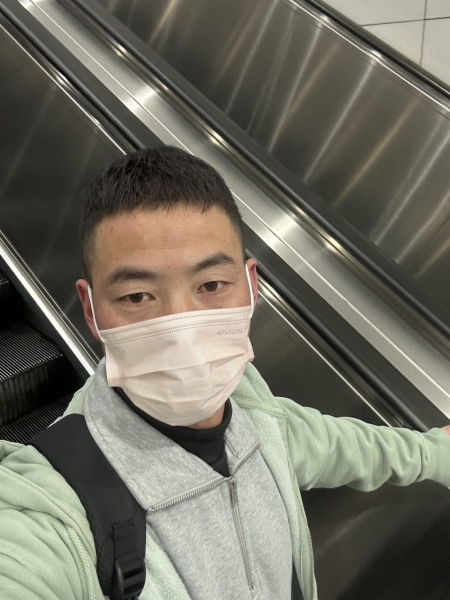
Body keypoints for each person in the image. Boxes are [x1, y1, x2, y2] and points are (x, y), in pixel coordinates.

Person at [1, 145, 450, 600]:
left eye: (212, 285)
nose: (182, 331)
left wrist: (437, 451)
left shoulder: (256, 413)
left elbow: (339, 445)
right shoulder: (53, 510)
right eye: (137, 296)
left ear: (251, 286)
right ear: (91, 310)